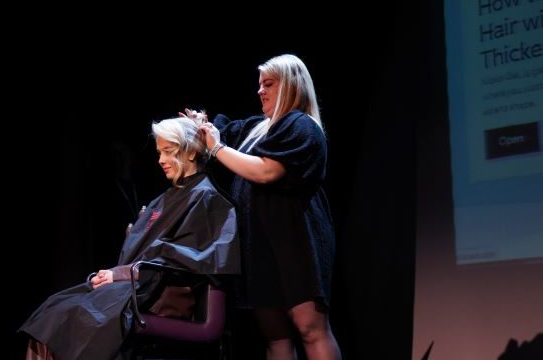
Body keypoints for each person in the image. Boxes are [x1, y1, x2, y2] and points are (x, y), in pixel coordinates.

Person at [19, 115, 240, 360]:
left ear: (190, 152)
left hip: (159, 295)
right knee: (51, 311)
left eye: (168, 151)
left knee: (69, 318)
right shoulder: (167, 199)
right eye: (159, 152)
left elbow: (183, 260)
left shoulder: (207, 200)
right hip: (138, 286)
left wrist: (121, 274)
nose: (161, 160)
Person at [188, 54, 341, 359]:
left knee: (310, 329)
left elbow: (266, 171)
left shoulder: (301, 125)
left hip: (294, 240)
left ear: (291, 86)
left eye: (269, 84)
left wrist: (217, 148)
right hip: (258, 242)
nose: (260, 91)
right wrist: (198, 125)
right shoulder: (259, 128)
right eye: (259, 85)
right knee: (275, 337)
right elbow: (223, 130)